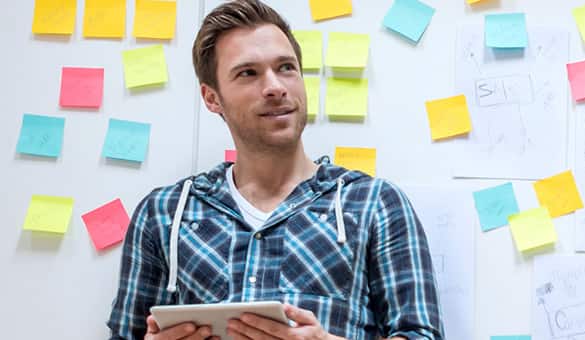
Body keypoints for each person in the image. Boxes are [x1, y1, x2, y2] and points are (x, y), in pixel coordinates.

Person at [106, 1, 443, 339]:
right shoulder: (165, 212)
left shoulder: (373, 203)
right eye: (248, 73)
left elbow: (422, 335)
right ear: (212, 98)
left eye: (286, 67)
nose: (275, 87)